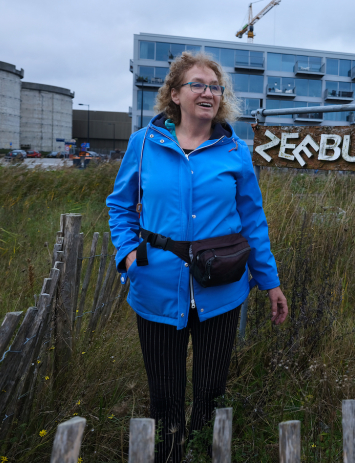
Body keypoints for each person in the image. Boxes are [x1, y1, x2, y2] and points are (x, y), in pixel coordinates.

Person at [107, 51, 288, 463]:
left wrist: (270, 281)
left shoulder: (234, 151)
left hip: (222, 290)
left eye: (214, 86)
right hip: (155, 289)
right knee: (165, 397)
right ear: (175, 94)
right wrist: (129, 255)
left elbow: (252, 220)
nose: (208, 92)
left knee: (210, 393)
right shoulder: (144, 144)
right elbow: (119, 206)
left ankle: (206, 454)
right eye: (198, 84)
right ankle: (169, 456)